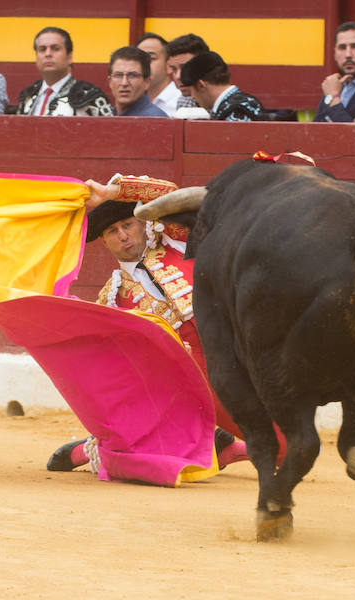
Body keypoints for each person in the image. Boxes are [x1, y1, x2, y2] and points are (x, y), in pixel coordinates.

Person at [46, 175, 250, 472]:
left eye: (128, 225)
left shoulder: (178, 241)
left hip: (231, 358)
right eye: (112, 232)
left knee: (283, 445)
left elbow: (172, 195)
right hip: (180, 387)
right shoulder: (112, 298)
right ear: (103, 242)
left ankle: (226, 446)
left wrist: (116, 191)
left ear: (143, 223)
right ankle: (89, 451)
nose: (123, 236)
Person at [16, 27, 113, 116]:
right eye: (42, 49)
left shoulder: (89, 97)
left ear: (69, 57)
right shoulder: (28, 96)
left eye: (55, 48)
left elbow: (110, 131)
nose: (48, 54)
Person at [313, 22, 355, 123]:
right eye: (342, 48)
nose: (348, 54)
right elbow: (315, 131)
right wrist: (351, 123)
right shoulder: (334, 85)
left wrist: (333, 99)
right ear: (335, 54)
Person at [179, 51, 266, 121]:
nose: (193, 97)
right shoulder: (243, 103)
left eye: (192, 90)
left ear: (201, 85)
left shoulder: (235, 110)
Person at [108, 46, 167, 117]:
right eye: (119, 75)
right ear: (110, 82)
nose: (124, 83)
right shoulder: (107, 115)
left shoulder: (155, 119)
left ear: (147, 82)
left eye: (132, 75)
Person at [136, 33, 182, 116]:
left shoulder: (181, 101)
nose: (144, 64)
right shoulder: (132, 102)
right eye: (139, 59)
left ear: (169, 66)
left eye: (151, 58)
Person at [165, 34, 210, 112]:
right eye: (174, 69)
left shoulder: (228, 105)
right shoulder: (183, 102)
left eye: (185, 68)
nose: (178, 76)